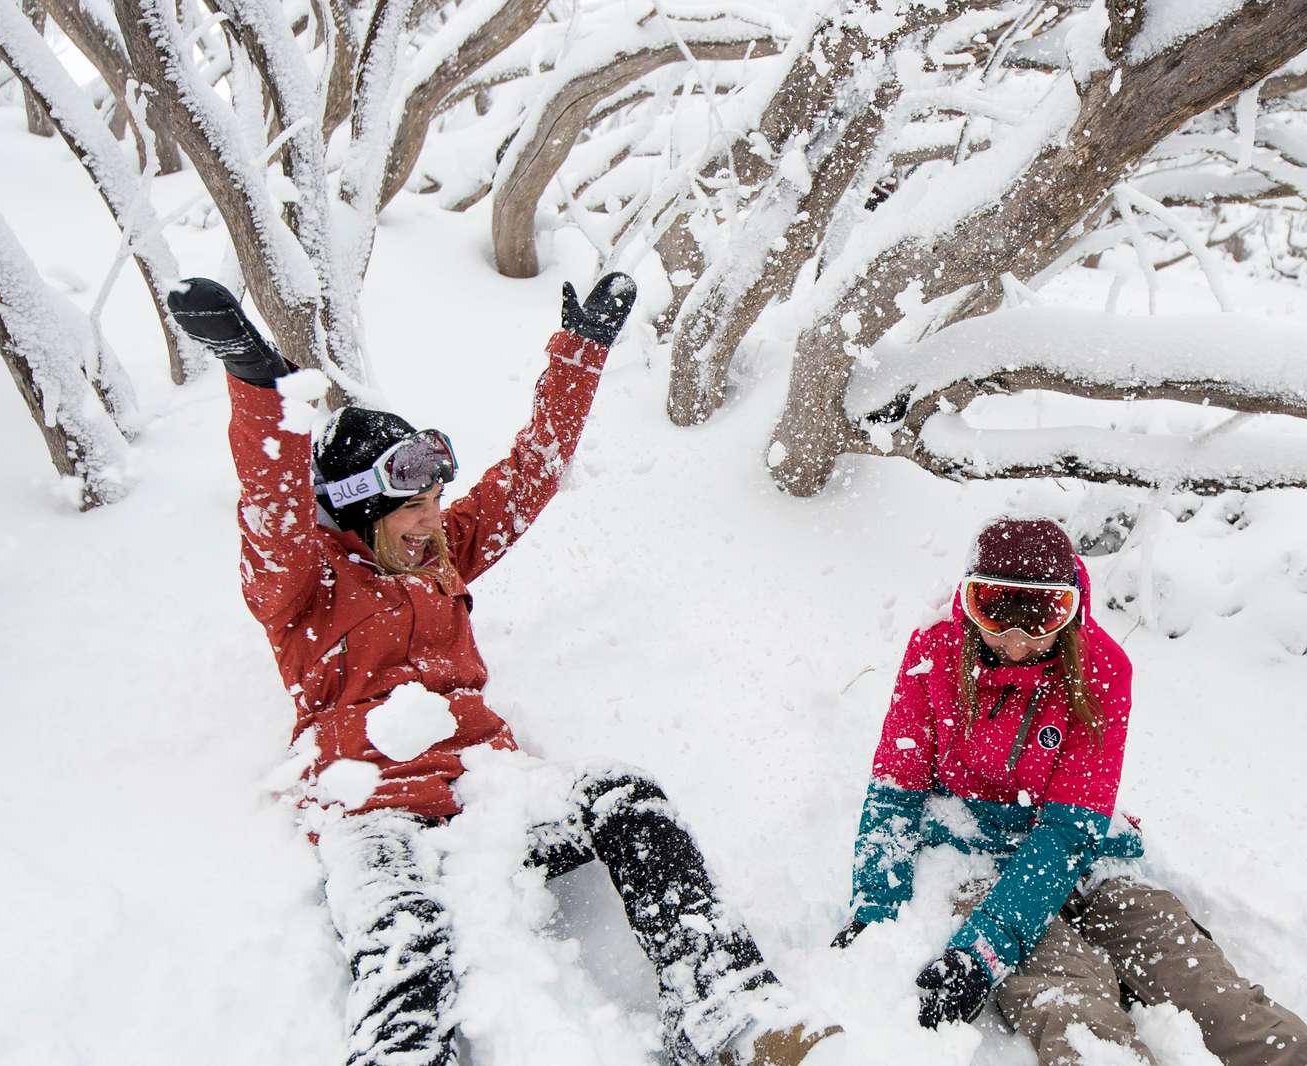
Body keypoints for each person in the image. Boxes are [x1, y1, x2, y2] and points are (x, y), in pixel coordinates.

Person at [170, 276, 840, 1066]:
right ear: (356, 513)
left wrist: (580, 355)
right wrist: (256, 384)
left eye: (435, 502)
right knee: (403, 941)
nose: (432, 524)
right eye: (410, 511)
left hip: (491, 795)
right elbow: (272, 506)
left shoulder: (442, 554)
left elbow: (532, 473)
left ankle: (725, 1011)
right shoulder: (302, 588)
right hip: (373, 813)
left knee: (628, 797)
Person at [833, 518, 1307, 1066]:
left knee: (1216, 998)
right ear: (969, 600)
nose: (1016, 640)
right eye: (996, 610)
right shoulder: (936, 651)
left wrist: (983, 953)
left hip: (1088, 858)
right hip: (977, 859)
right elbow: (895, 792)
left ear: (1070, 610)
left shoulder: (1102, 669)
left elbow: (1069, 832)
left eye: (1041, 615)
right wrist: (877, 910)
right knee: (1073, 1009)